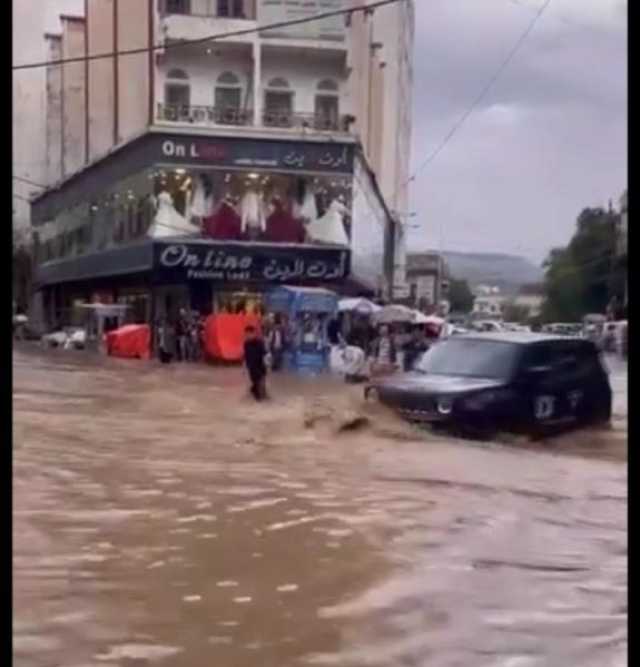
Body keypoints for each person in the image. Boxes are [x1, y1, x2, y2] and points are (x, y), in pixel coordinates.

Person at [244, 325, 268, 401]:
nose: (247, 336)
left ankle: (261, 396)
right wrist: (245, 367)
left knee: (260, 391)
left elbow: (265, 354)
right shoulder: (246, 344)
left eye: (249, 334)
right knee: (255, 384)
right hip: (252, 368)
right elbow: (246, 356)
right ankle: (255, 390)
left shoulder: (260, 343)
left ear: (253, 333)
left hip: (260, 367)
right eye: (246, 334)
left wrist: (266, 365)